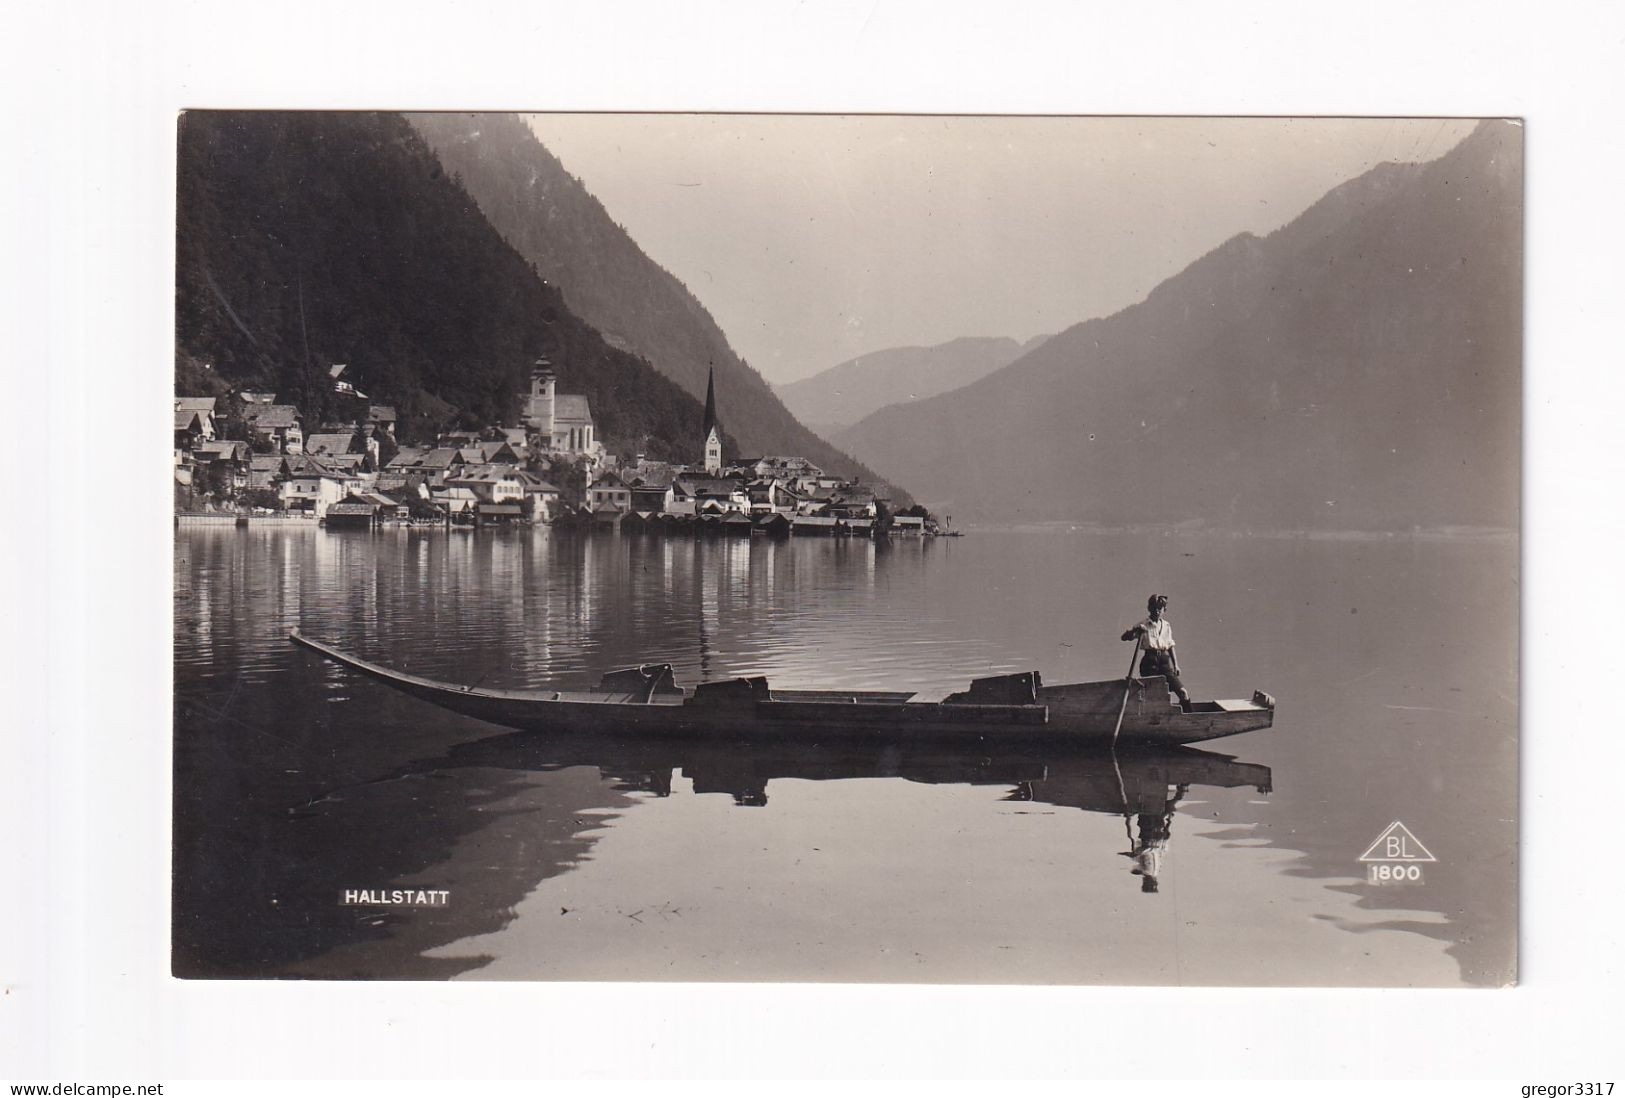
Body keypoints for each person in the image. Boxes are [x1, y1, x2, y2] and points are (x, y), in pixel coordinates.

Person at [1121, 593, 1191, 709]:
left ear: (1164, 610)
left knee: (1183, 692)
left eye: (1160, 608)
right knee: (1152, 697)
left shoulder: (1167, 626)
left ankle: (1190, 718)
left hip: (1164, 662)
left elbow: (1170, 646)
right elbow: (1125, 637)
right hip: (1149, 662)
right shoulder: (1143, 624)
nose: (1157, 611)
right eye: (1154, 608)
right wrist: (1134, 631)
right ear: (1149, 609)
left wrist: (1176, 665)